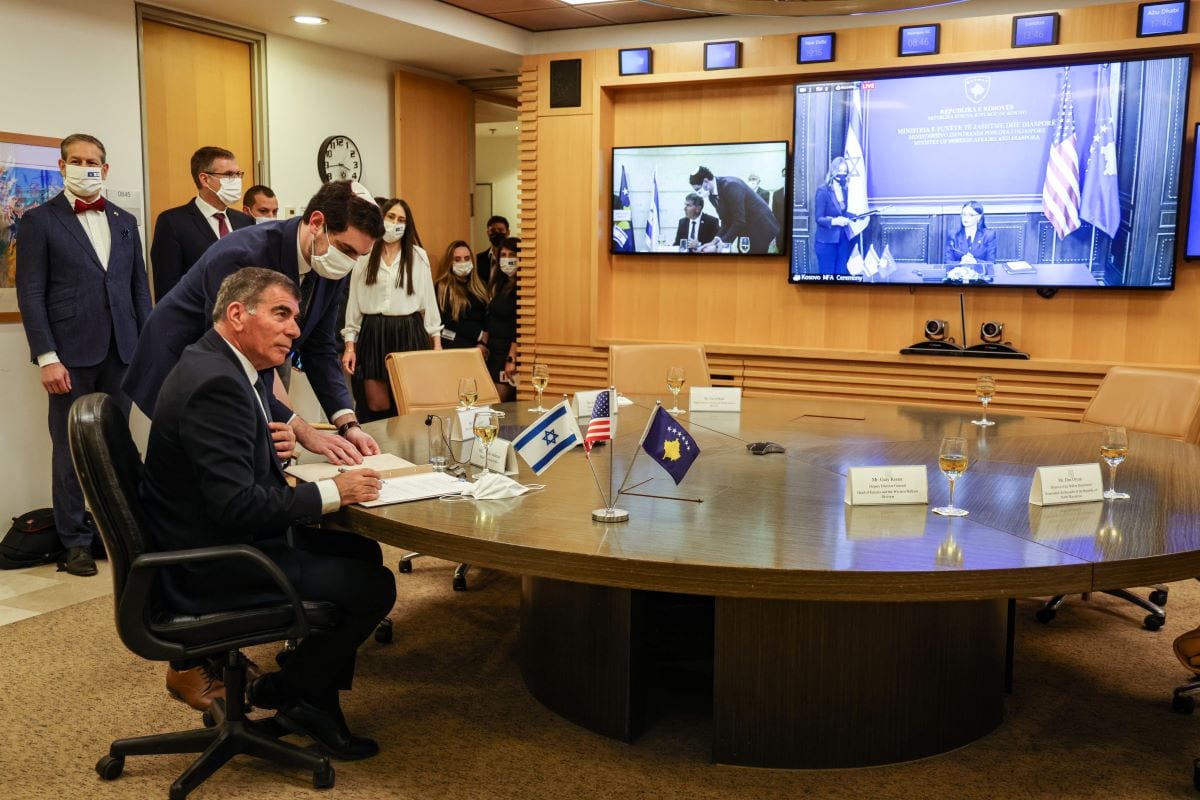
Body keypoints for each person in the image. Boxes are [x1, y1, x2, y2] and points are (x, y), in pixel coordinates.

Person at [141, 267, 395, 761]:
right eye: (282, 314)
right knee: (374, 586)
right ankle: (288, 690)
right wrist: (333, 493)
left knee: (361, 550)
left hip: (210, 537)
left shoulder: (228, 366)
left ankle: (311, 698)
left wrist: (268, 448)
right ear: (237, 314)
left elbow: (228, 467)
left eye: (296, 318)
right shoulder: (215, 382)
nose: (295, 330)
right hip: (212, 562)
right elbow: (236, 506)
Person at [124, 180, 385, 466]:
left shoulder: (332, 264)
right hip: (178, 362)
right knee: (203, 467)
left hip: (239, 366)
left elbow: (320, 349)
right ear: (317, 222)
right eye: (346, 249)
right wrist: (303, 429)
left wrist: (348, 424)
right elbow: (231, 355)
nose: (349, 262)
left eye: (358, 256)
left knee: (261, 458)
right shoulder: (244, 255)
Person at [16, 133, 152, 577]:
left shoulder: (126, 220)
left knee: (120, 445)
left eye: (93, 161)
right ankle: (74, 542)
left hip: (124, 350)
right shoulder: (39, 221)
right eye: (76, 160)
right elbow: (31, 294)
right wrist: (47, 356)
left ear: (106, 169)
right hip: (70, 355)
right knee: (71, 449)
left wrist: (148, 349)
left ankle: (128, 532)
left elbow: (138, 290)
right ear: (62, 166)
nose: (85, 167)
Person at [342, 198, 442, 421]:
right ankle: (381, 451)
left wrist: (436, 343)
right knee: (377, 405)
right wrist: (350, 345)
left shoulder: (417, 256)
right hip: (373, 331)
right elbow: (354, 304)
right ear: (381, 218)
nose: (395, 223)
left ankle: (406, 451)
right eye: (391, 217)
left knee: (409, 404)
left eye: (401, 220)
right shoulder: (365, 255)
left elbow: (429, 302)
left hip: (409, 329)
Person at [150, 146, 254, 302]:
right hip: (198, 321)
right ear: (205, 179)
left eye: (238, 174)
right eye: (229, 175)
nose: (237, 180)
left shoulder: (245, 221)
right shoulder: (172, 222)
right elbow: (167, 288)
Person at [687, 166, 779, 254]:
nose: (698, 193)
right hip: (747, 231)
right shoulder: (711, 196)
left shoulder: (731, 185)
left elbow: (739, 220)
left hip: (763, 230)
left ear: (706, 181)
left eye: (698, 189)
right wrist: (713, 242)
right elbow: (725, 221)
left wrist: (720, 245)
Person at [482, 237, 520, 402]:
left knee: (499, 406)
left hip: (507, 355)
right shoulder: (500, 283)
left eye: (512, 254)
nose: (507, 259)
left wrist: (511, 359)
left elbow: (519, 326)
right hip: (493, 353)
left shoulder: (524, 286)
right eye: (503, 255)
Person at [434, 239, 489, 351]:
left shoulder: (480, 285)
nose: (463, 262)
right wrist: (478, 333)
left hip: (480, 347)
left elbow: (487, 316)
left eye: (467, 258)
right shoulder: (442, 287)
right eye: (457, 259)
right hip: (455, 346)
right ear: (450, 262)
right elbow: (447, 320)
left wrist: (483, 342)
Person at [813, 157, 857, 275]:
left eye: (845, 171)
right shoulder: (823, 191)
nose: (842, 174)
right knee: (828, 277)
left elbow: (843, 213)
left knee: (841, 275)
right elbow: (818, 218)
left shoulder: (844, 190)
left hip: (843, 241)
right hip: (826, 242)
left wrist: (858, 216)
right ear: (833, 170)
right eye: (840, 170)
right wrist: (835, 221)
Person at [944, 201, 997, 265]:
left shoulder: (988, 235)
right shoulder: (953, 235)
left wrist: (976, 262)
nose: (966, 218)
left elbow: (991, 263)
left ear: (979, 217)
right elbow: (947, 261)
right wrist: (961, 263)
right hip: (958, 272)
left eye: (971, 215)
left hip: (980, 273)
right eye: (964, 214)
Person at [475, 214, 508, 284]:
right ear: (487, 233)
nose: (497, 233)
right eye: (493, 230)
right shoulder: (478, 259)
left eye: (500, 230)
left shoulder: (512, 258)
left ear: (508, 232)